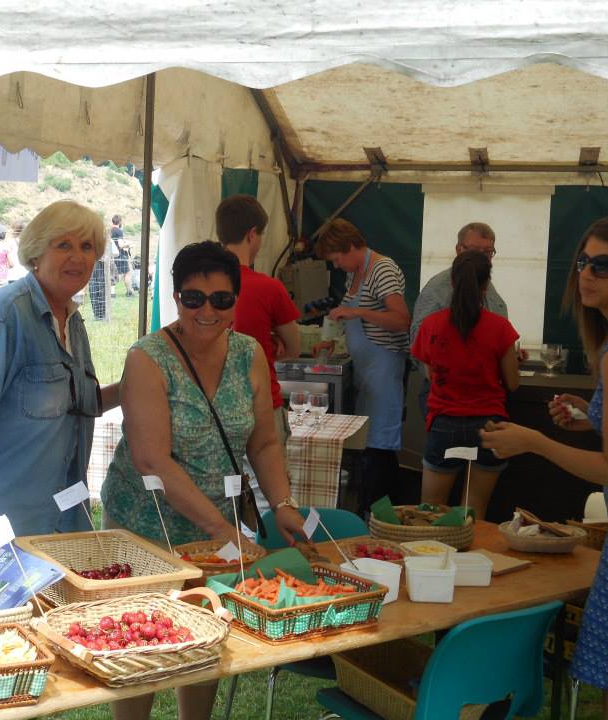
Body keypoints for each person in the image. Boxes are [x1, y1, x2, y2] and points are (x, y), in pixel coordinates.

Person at [101, 241, 307, 720]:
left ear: (236, 301)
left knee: (204, 638)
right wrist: (220, 529)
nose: (207, 310)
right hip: (146, 522)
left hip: (216, 521)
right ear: (176, 298)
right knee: (142, 649)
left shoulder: (249, 353)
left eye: (221, 299)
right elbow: (152, 459)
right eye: (193, 298)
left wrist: (283, 504)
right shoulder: (147, 358)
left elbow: (263, 443)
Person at [481, 216, 608, 719]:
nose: (586, 274)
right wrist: (590, 417)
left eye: (603, 264)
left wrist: (534, 440)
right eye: (581, 262)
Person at [0, 200, 120, 568]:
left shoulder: (72, 321)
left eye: (86, 247)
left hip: (53, 513)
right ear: (35, 253)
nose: (77, 257)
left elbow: (81, 403)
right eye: (63, 245)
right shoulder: (0, 316)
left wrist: (136, 383)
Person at [410, 251, 520, 520]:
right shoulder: (500, 327)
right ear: (486, 285)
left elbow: (430, 374)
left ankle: (432, 559)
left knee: (431, 512)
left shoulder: (431, 326)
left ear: (451, 282)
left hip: (444, 423)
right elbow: (513, 384)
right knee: (472, 513)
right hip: (488, 426)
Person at [312, 218, 411, 512]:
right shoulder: (354, 273)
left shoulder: (382, 269)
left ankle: (376, 513)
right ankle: (383, 513)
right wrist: (332, 338)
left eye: (338, 257)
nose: (337, 264)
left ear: (352, 246)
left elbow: (401, 320)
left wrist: (356, 311)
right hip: (365, 367)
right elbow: (352, 317)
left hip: (384, 365)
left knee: (379, 446)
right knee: (372, 445)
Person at [216, 195, 300, 452]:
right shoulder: (269, 287)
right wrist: (271, 342)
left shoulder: (201, 283)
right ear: (252, 234)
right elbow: (294, 348)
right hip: (259, 402)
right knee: (268, 488)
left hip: (214, 404)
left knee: (218, 486)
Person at [410, 222, 523, 414]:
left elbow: (491, 335)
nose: (480, 256)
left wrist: (507, 354)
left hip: (484, 395)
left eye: (487, 251)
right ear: (458, 249)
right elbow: (419, 344)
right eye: (473, 250)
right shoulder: (437, 289)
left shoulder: (489, 288)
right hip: (446, 397)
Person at [110, 214, 133, 297]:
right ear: (119, 221)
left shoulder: (109, 230)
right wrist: (128, 244)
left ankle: (112, 293)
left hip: (110, 255)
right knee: (127, 272)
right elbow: (120, 245)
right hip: (120, 255)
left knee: (112, 273)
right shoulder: (118, 231)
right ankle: (129, 292)